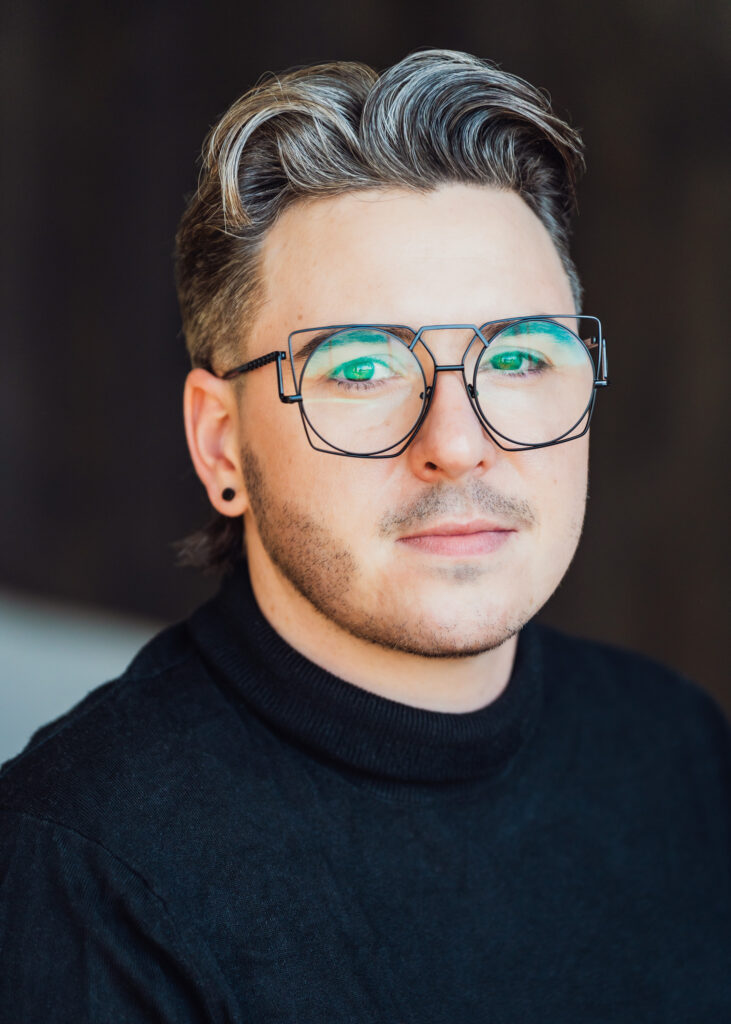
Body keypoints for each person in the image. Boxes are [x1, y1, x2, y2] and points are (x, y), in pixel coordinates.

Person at [1, 49, 728, 1022]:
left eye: (515, 355)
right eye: (358, 369)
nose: (458, 445)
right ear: (221, 444)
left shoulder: (674, 745)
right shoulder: (78, 867)